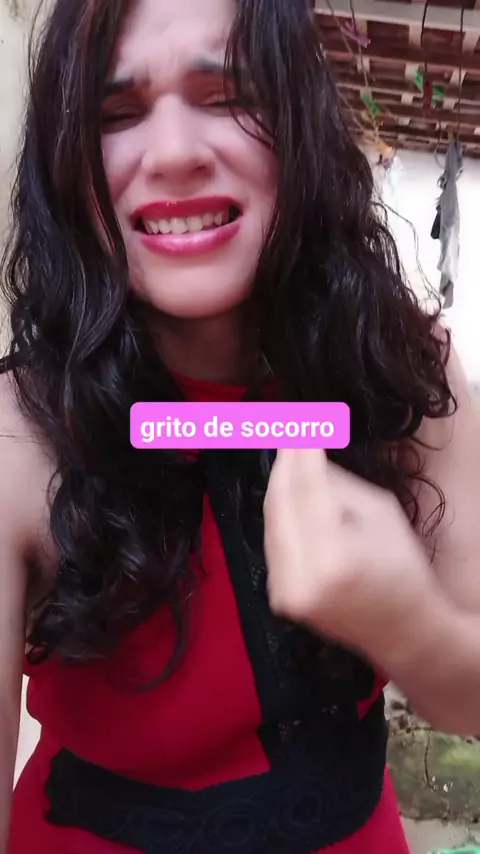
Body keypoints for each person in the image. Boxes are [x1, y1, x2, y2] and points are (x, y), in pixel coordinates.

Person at [1, 0, 480, 852]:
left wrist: (410, 623)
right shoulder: (17, 434)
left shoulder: (408, 369)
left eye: (226, 96)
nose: (174, 154)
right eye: (116, 114)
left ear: (300, 127)